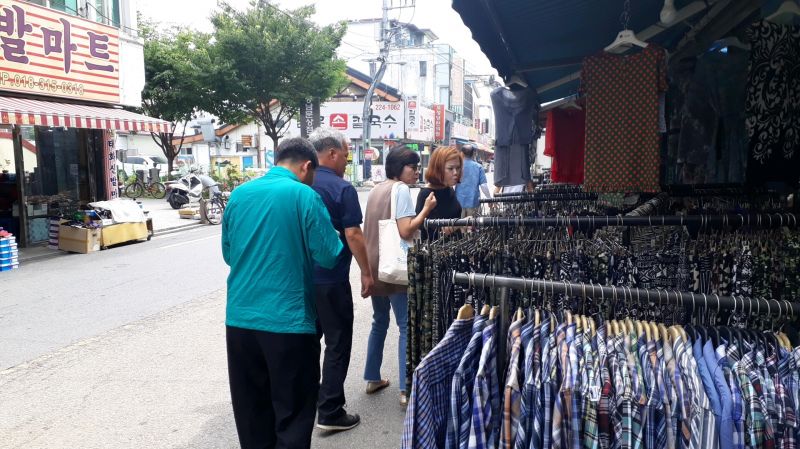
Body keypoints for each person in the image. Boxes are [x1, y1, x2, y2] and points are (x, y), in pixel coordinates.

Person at [222, 137, 343, 449]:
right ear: (306, 166)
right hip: (289, 323)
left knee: (252, 413)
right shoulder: (304, 195)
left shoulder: (239, 195)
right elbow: (329, 254)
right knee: (292, 416)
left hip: (240, 322)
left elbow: (229, 254)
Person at [308, 127, 373, 432]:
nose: (347, 161)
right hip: (331, 279)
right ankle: (330, 409)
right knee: (337, 342)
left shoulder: (300, 184)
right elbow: (353, 233)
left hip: (302, 280)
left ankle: (309, 399)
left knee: (308, 341)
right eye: (346, 155)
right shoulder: (341, 188)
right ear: (332, 153)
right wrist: (366, 271)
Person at [363, 145, 437, 406]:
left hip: (375, 265)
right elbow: (406, 231)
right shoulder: (401, 189)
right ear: (398, 168)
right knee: (405, 325)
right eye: (412, 167)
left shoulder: (376, 189)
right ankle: (406, 388)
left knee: (379, 321)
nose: (417, 172)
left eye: (417, 167)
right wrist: (426, 209)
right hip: (394, 267)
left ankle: (372, 377)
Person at [416, 146, 463, 240]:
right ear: (438, 169)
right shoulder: (426, 195)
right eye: (450, 168)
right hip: (437, 247)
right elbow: (436, 232)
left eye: (458, 168)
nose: (455, 172)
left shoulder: (449, 189)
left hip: (457, 245)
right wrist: (463, 223)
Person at [454, 144, 491, 217]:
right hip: (473, 202)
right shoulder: (479, 167)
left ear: (462, 154)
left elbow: (451, 184)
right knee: (473, 223)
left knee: (459, 223)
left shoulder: (457, 166)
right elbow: (484, 186)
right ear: (473, 154)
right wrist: (489, 199)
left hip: (458, 203)